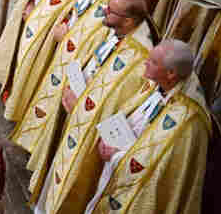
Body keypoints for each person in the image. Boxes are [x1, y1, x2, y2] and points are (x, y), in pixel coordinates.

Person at [32, 0, 157, 213]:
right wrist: (71, 86)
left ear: (128, 21)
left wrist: (80, 106)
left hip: (88, 128)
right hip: (75, 109)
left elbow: (117, 103)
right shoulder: (115, 31)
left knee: (72, 178)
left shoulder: (140, 58)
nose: (104, 12)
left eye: (111, 11)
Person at [10, 0, 127, 158]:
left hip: (74, 67)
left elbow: (96, 42)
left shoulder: (115, 3)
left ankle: (39, 150)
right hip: (62, 48)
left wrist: (67, 37)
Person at [81, 40, 208, 212]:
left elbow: (157, 170)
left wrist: (118, 156)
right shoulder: (158, 85)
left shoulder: (187, 121)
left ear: (171, 73)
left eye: (153, 62)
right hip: (113, 165)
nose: (145, 62)